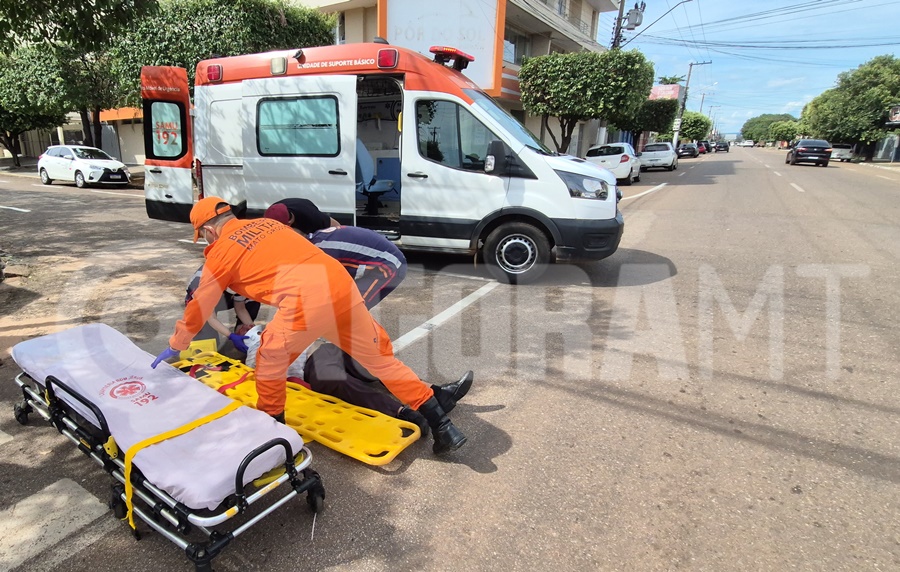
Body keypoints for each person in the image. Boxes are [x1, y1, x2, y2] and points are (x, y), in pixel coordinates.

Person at [152, 197, 470, 455]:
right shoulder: (265, 224)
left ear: (207, 230)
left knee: (269, 362)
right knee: (382, 362)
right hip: (340, 287)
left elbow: (200, 304)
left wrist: (178, 342)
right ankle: (444, 428)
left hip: (306, 299)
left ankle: (273, 436)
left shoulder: (220, 251)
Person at [265, 199, 406, 308]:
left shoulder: (319, 245)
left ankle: (361, 342)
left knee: (354, 307)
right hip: (368, 256)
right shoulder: (312, 240)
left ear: (292, 224)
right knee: (338, 304)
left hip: (389, 265)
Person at [185, 263, 259, 352]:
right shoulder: (203, 283)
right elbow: (210, 317)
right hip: (200, 302)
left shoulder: (241, 275)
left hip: (224, 294)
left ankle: (243, 333)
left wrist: (252, 328)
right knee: (209, 343)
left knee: (254, 298)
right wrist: (230, 335)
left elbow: (240, 307)